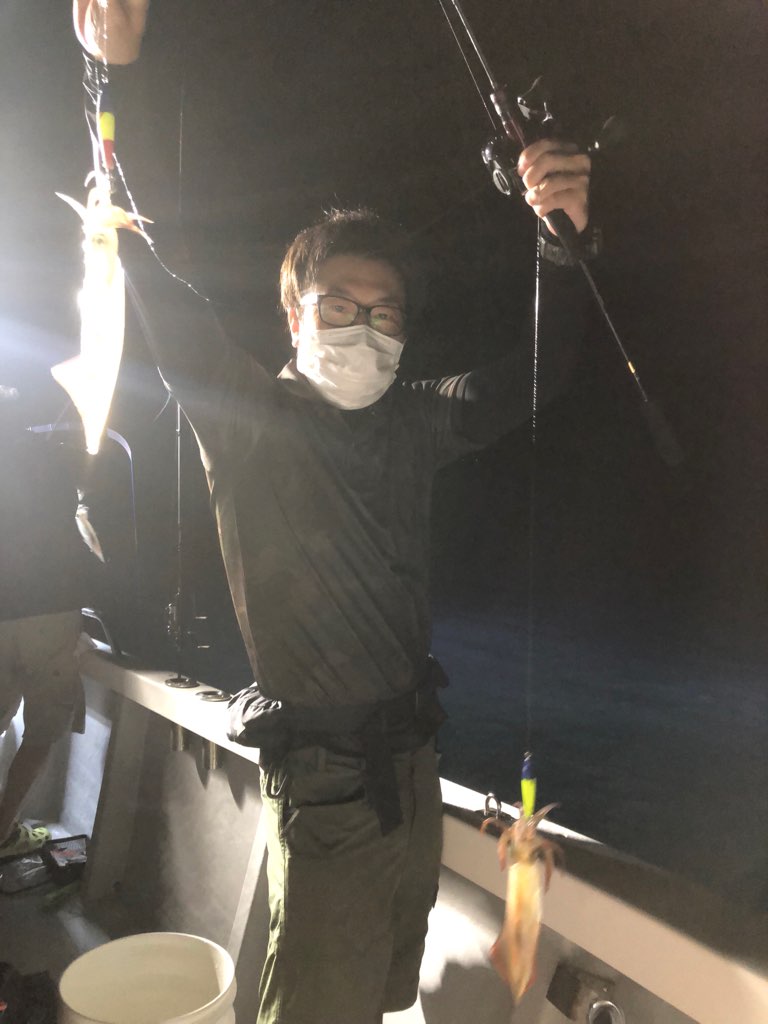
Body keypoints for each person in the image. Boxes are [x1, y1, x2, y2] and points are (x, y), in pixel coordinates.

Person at [74, 4, 595, 1021]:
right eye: (340, 306)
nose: (365, 326)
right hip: (323, 789)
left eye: (385, 311)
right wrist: (115, 80)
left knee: (384, 994)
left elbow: (536, 376)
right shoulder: (249, 419)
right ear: (294, 314)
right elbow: (144, 268)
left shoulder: (414, 420)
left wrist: (561, 244)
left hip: (416, 768)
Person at [0, 389, 86, 859]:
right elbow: (82, 519)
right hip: (51, 612)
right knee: (41, 732)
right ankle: (2, 831)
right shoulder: (54, 459)